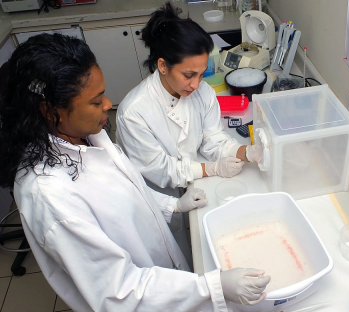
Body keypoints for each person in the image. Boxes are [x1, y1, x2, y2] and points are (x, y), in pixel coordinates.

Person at [0, 33, 270, 312]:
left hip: (162, 273)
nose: (107, 105)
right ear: (49, 110)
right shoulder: (49, 195)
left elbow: (127, 191)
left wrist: (172, 205)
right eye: (95, 101)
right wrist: (213, 287)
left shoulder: (87, 137)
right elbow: (120, 292)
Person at [116, 2, 263, 193]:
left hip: (195, 184)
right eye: (188, 75)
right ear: (162, 66)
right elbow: (160, 169)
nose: (196, 84)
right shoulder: (133, 113)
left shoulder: (204, 92)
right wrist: (212, 169)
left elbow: (213, 139)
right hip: (159, 196)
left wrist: (247, 152)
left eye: (201, 74)